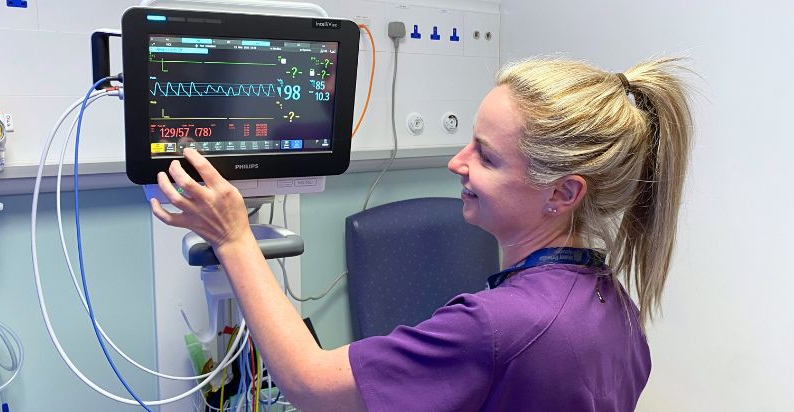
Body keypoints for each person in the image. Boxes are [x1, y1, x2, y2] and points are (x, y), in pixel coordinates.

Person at [150, 57, 693, 411]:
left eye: (485, 155)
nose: (457, 163)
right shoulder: (615, 308)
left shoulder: (496, 325)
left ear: (562, 193)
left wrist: (234, 237)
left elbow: (311, 383)